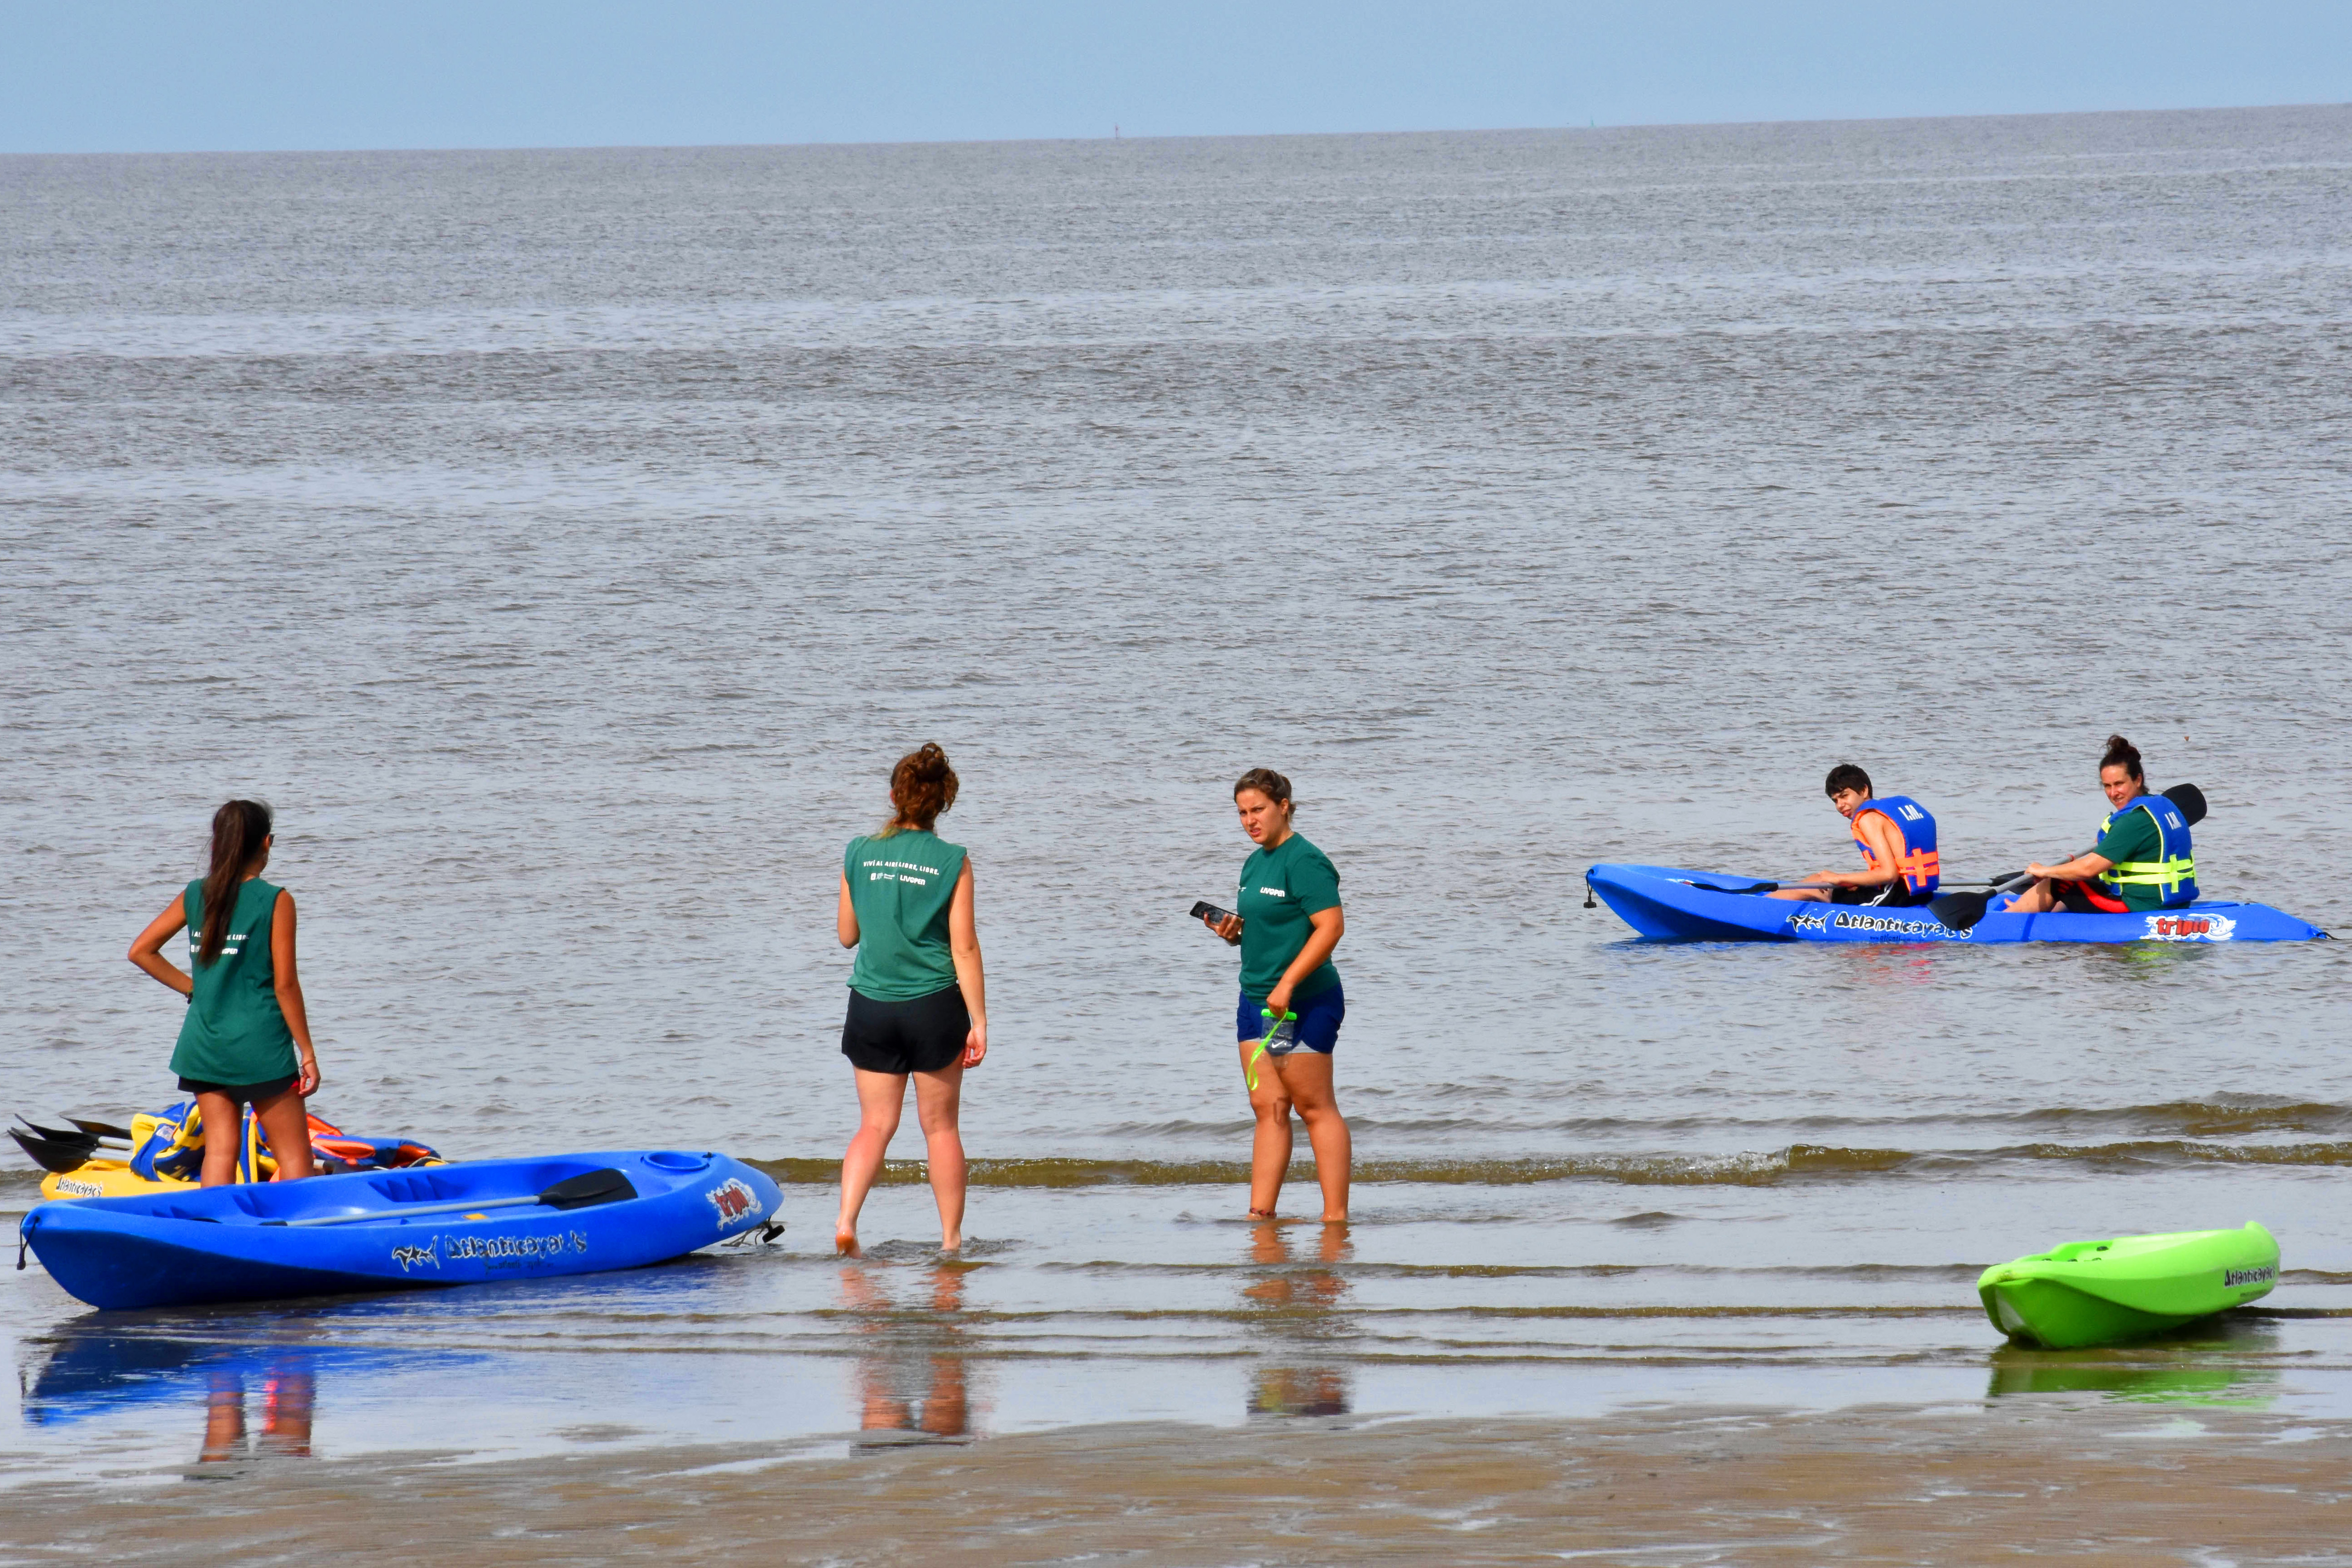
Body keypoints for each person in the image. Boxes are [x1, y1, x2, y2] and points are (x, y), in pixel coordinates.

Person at [833, 743, 988, 1254]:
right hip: (932, 1006)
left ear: (895, 795)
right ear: (944, 800)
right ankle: (949, 1241)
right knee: (940, 1128)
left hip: (871, 1006)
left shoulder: (857, 850)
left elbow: (846, 935)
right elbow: (963, 947)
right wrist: (980, 1020)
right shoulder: (952, 860)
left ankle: (847, 1220)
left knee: (874, 1125)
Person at [127, 800, 320, 1187]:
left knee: (219, 1151)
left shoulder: (196, 893)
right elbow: (285, 984)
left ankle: (211, 1234)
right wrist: (308, 1053)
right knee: (296, 1156)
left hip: (204, 1047)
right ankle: (291, 1237)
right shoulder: (276, 899)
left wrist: (195, 990)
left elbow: (141, 951)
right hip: (260, 1050)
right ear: (266, 842)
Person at [1200, 768, 1349, 1224]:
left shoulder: (1303, 860)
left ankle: (1334, 1221)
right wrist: (1231, 934)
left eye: (1258, 809)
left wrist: (1286, 984)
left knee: (1313, 1107)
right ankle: (1260, 1215)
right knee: (1268, 1106)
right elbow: (1268, 930)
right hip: (1255, 999)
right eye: (1242, 812)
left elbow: (1330, 927)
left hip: (1304, 1000)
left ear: (1283, 805)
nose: (1250, 820)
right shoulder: (1254, 861)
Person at [2003, 734, 2197, 915]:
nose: (2113, 793)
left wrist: (2043, 871)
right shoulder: (2161, 807)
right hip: (2174, 903)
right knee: (2077, 877)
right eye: (2107, 786)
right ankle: (2042, 912)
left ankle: (2010, 918)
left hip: (2142, 908)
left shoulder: (2134, 821)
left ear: (2138, 780)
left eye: (2119, 784)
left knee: (2058, 881)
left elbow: (2088, 869)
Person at [1766, 764, 1940, 906]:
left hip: (1896, 896)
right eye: (1835, 800)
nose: (1840, 805)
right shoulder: (1891, 811)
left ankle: (1757, 909)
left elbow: (1890, 875)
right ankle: (1762, 902)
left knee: (1815, 888)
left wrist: (1839, 878)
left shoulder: (1868, 819)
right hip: (1920, 893)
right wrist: (1849, 881)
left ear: (1864, 791)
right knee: (1819, 880)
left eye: (1844, 796)